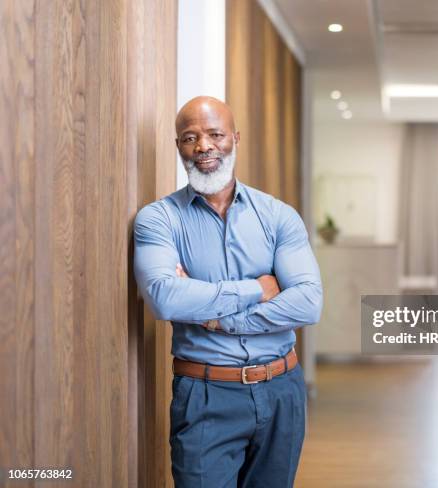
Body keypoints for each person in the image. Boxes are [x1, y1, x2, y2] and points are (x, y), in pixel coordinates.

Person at [133, 96, 323, 487]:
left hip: (282, 391)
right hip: (205, 395)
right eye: (190, 137)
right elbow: (164, 298)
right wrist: (257, 288)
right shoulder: (158, 220)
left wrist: (215, 316)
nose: (203, 146)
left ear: (234, 139)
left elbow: (308, 302)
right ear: (178, 146)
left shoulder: (278, 216)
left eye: (215, 134)